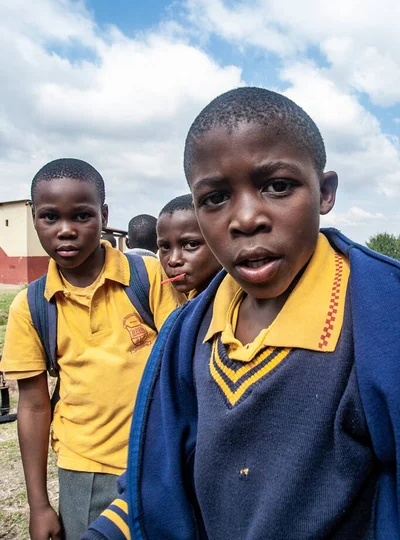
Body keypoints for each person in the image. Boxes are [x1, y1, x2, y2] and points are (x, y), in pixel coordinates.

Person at [82, 87, 400, 540]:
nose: (246, 218)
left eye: (278, 186)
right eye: (215, 198)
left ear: (325, 192)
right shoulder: (189, 334)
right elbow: (160, 480)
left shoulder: (382, 319)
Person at [0, 158, 183, 540]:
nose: (66, 231)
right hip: (86, 469)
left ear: (103, 215)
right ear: (35, 219)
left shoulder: (146, 277)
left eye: (82, 216)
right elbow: (33, 406)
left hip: (160, 457)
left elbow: (180, 362)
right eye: (50, 217)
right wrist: (38, 505)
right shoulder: (31, 306)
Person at [157, 193, 221, 297]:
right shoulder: (192, 307)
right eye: (166, 247)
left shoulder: (245, 307)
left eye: (191, 245)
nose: (173, 260)